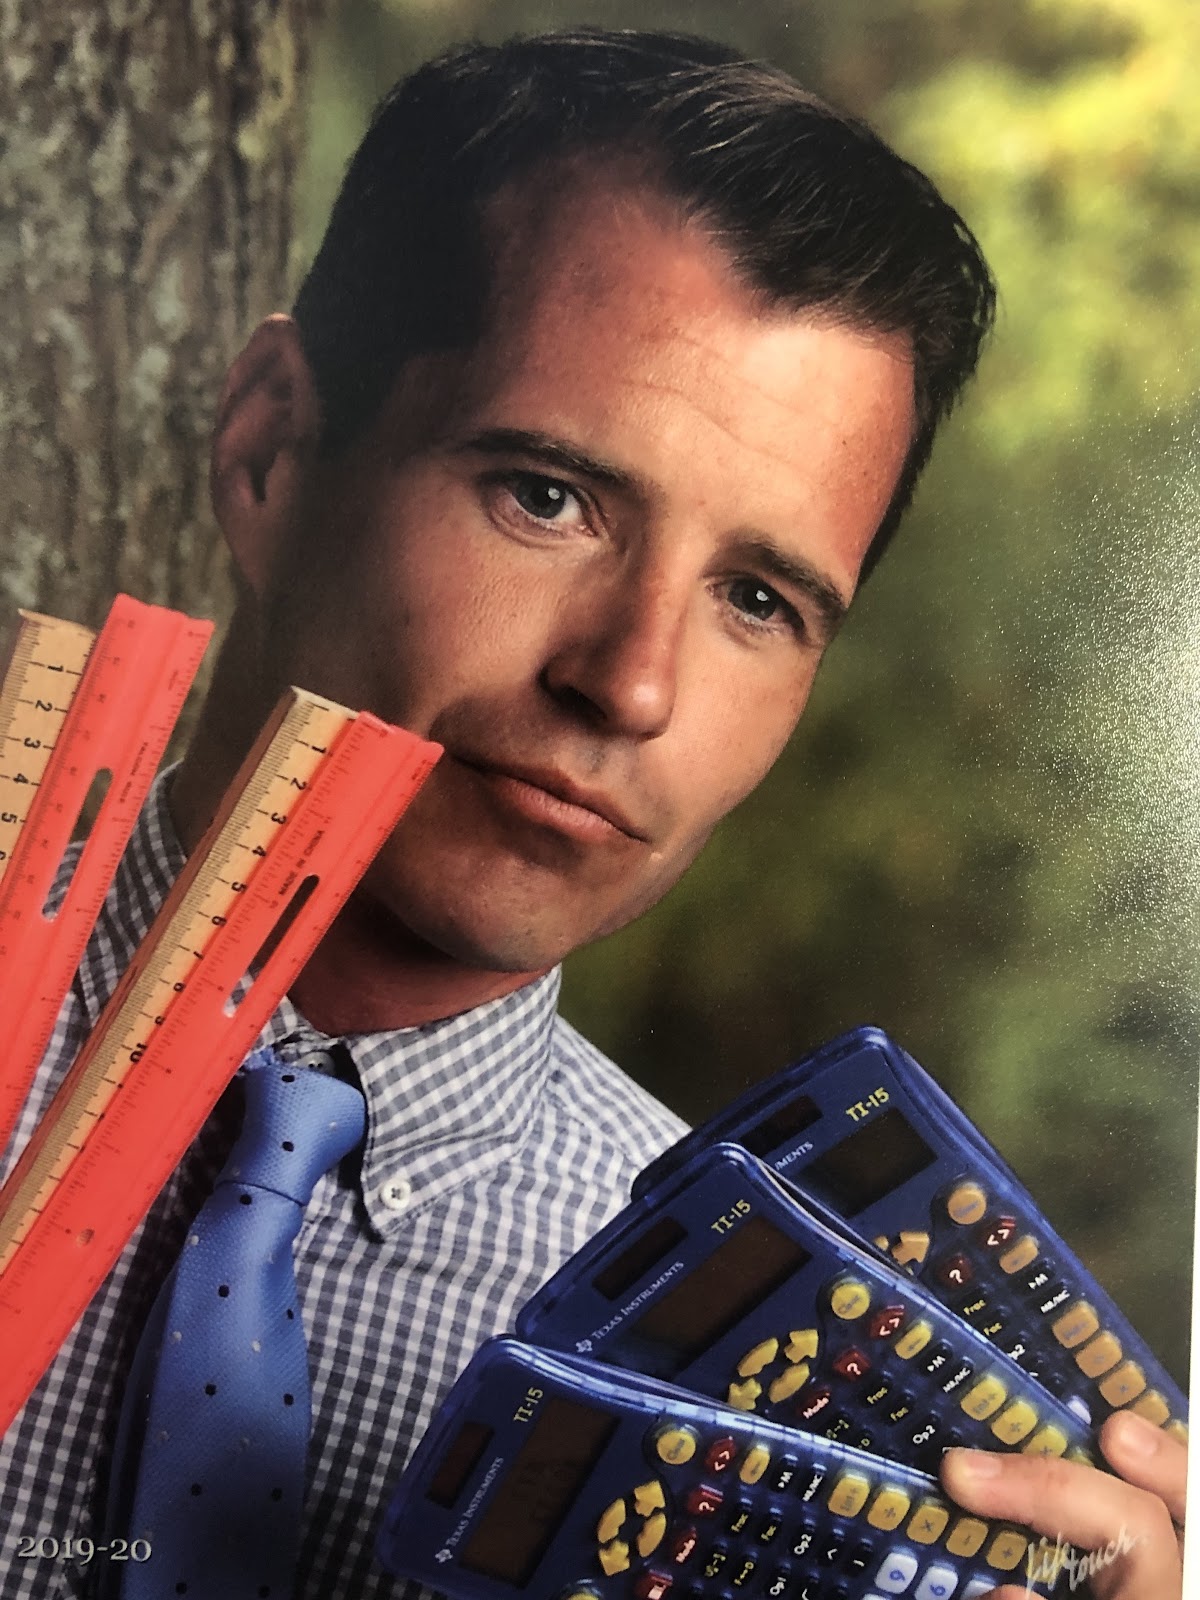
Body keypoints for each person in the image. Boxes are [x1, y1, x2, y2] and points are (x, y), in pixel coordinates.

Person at [0, 27, 1184, 1600]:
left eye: (757, 600)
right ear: (272, 451)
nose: (629, 684)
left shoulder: (785, 1405)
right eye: (547, 498)